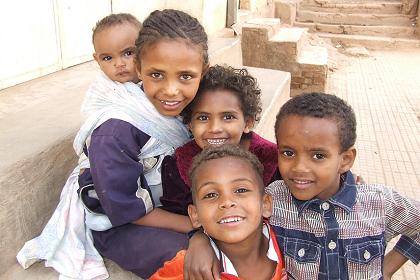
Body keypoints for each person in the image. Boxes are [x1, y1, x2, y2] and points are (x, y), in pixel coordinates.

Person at [17, 10, 209, 279]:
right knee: (188, 263)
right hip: (123, 222)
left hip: (170, 204)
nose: (171, 90)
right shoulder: (115, 132)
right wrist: (192, 225)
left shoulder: (190, 106)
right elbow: (123, 208)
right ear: (141, 69)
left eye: (185, 76)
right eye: (157, 75)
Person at [267, 92, 420, 279]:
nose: (299, 168)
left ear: (345, 160)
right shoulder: (271, 201)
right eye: (288, 153)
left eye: (318, 156)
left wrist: (388, 267)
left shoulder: (378, 203)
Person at [151, 145, 287, 280]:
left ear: (265, 204)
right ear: (195, 215)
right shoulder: (185, 271)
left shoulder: (290, 237)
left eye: (241, 190)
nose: (227, 202)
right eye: (210, 195)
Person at [160, 65, 280, 216]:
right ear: (190, 124)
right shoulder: (179, 163)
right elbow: (176, 213)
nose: (215, 128)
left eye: (228, 117)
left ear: (248, 122)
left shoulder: (273, 160)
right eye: (203, 118)